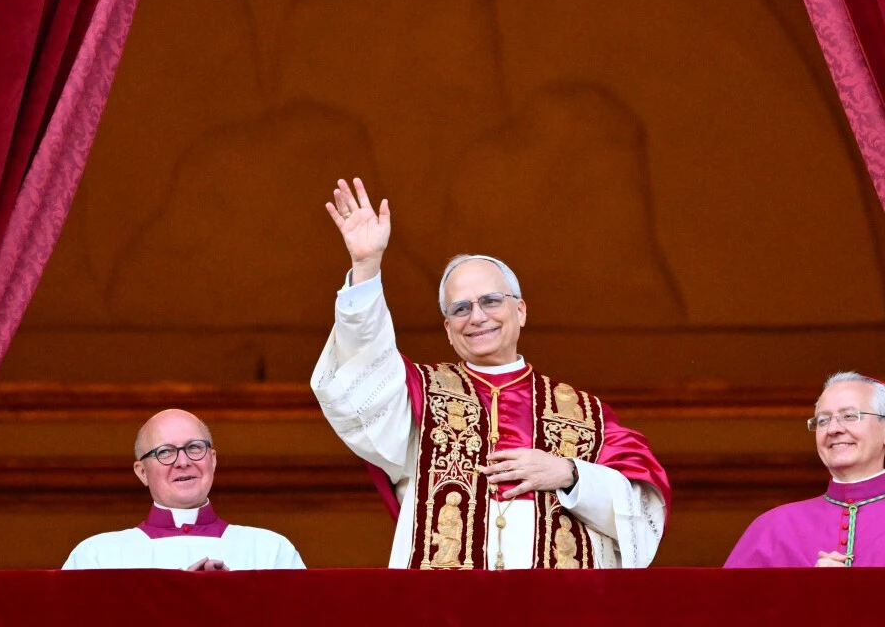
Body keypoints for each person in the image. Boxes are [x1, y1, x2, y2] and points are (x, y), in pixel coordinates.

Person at [311, 178, 670, 570]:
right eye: (460, 309)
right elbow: (363, 366)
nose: (477, 316)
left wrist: (570, 474)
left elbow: (643, 509)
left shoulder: (586, 414)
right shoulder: (416, 397)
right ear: (448, 330)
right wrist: (366, 267)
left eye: (491, 301)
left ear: (521, 311)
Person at [724, 371, 885, 568]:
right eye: (823, 420)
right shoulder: (772, 528)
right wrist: (802, 594)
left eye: (850, 416)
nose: (834, 429)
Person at [62, 409, 305, 570]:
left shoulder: (271, 552)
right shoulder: (97, 558)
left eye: (194, 447)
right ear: (142, 472)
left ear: (213, 460)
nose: (183, 461)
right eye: (165, 452)